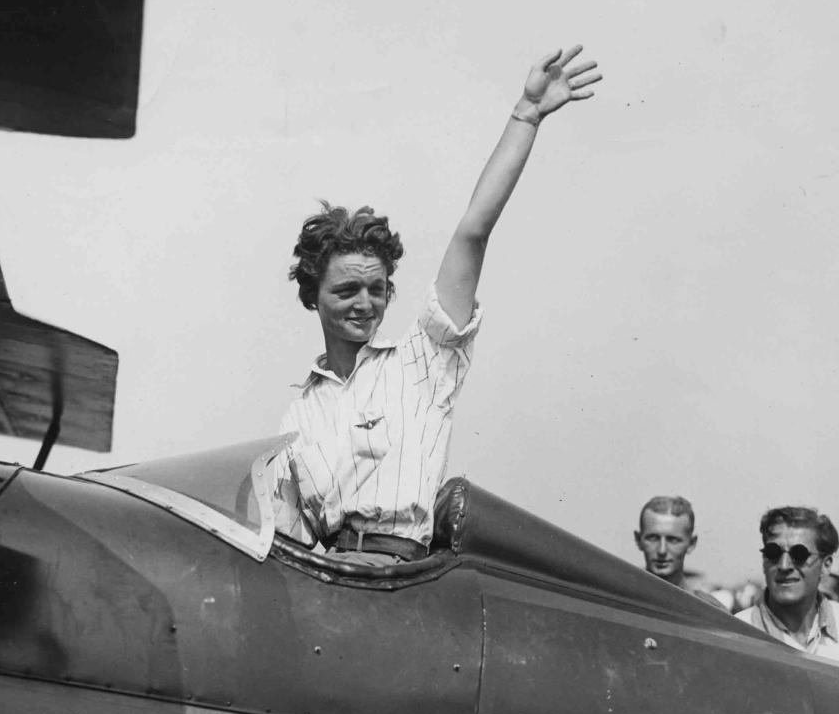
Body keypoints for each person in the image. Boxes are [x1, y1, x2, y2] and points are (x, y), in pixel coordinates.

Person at [273, 46, 601, 565]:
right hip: (331, 582)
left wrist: (526, 116)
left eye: (377, 289)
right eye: (346, 291)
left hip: (403, 581)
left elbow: (473, 231)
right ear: (312, 295)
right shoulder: (299, 412)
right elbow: (287, 540)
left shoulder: (420, 364)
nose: (365, 303)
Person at [734, 506, 839, 660]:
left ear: (826, 565)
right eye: (773, 553)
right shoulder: (736, 632)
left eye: (799, 554)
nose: (784, 566)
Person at [634, 495, 727, 609]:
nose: (662, 550)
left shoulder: (711, 611)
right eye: (653, 538)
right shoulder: (619, 602)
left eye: (673, 540)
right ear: (638, 540)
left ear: (691, 543)